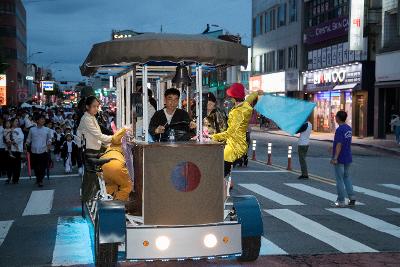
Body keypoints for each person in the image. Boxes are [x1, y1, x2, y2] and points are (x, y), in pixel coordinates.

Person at [211, 83, 262, 178]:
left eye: (230, 96)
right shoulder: (245, 106)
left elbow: (230, 132)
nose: (230, 98)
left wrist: (213, 137)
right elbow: (249, 99)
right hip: (240, 144)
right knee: (223, 174)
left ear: (233, 98)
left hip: (233, 147)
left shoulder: (236, 112)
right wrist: (256, 93)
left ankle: (222, 189)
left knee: (219, 175)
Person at [77, 96, 118, 201]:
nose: (96, 108)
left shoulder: (91, 117)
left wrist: (109, 141)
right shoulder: (86, 119)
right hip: (90, 151)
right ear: (87, 107)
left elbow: (99, 135)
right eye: (94, 106)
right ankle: (87, 199)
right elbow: (98, 135)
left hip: (94, 148)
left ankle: (90, 199)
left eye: (97, 106)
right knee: (91, 177)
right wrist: (114, 138)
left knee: (92, 177)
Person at [330, 111, 356, 207]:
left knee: (339, 179)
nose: (335, 118)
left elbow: (339, 144)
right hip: (348, 156)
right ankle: (352, 196)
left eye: (335, 117)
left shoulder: (340, 130)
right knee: (346, 177)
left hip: (340, 157)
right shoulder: (349, 128)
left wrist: (335, 157)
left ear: (338, 118)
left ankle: (341, 200)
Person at [26, 114, 53, 187]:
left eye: (43, 119)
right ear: (37, 120)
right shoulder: (32, 129)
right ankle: (38, 178)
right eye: (41, 119)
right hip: (34, 151)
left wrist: (49, 143)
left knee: (43, 166)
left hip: (44, 150)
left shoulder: (47, 129)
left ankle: (40, 180)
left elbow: (49, 139)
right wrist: (26, 145)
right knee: (36, 167)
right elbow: (28, 139)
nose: (43, 120)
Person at [5, 118, 24, 184]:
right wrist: (11, 141)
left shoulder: (20, 129)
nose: (17, 122)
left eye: (17, 121)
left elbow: (21, 138)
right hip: (12, 149)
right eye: (16, 121)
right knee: (10, 165)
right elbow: (7, 139)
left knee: (17, 166)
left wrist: (13, 141)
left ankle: (16, 179)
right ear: (12, 122)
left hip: (19, 149)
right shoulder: (9, 130)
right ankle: (9, 177)